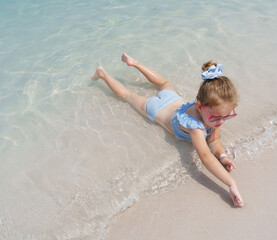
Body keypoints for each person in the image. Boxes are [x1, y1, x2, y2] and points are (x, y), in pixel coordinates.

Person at [92, 53, 244, 207]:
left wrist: (222, 156)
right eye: (217, 118)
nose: (221, 121)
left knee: (165, 83)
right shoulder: (196, 128)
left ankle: (135, 62)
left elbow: (213, 140)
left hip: (173, 98)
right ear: (199, 106)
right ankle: (102, 74)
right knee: (128, 95)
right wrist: (231, 183)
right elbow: (206, 157)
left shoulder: (214, 115)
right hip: (156, 109)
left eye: (226, 116)